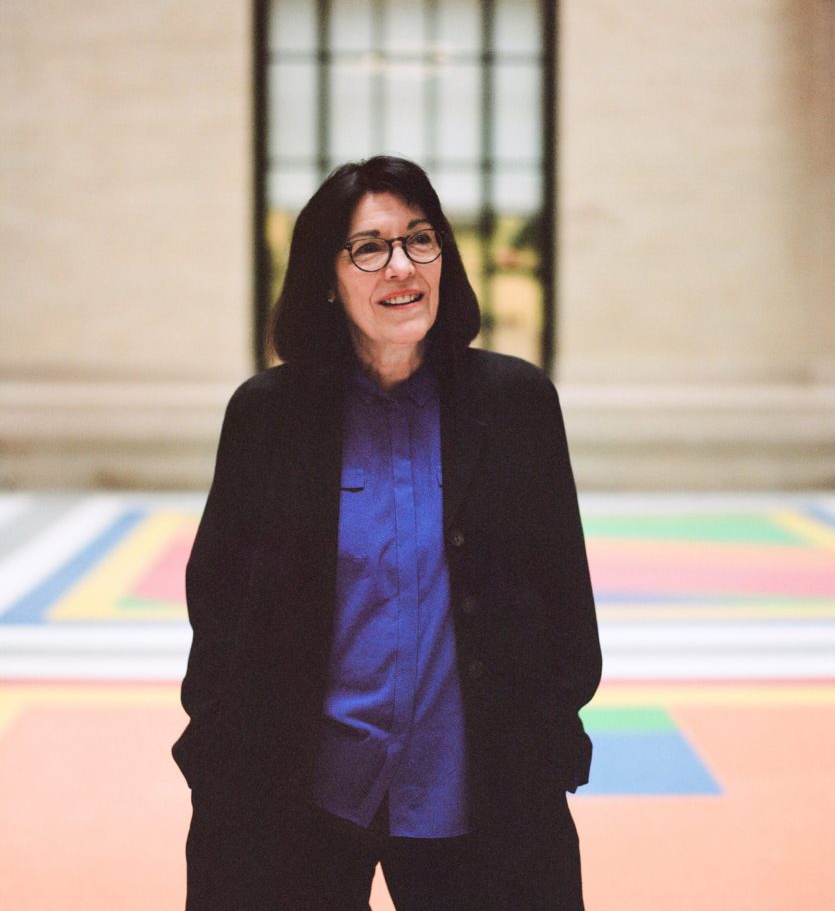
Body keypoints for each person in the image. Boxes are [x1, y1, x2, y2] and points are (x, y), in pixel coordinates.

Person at [172, 155, 601, 911]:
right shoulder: (268, 417)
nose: (400, 265)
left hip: (476, 803)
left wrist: (541, 734)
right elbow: (219, 606)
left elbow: (564, 598)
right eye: (369, 247)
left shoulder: (516, 406)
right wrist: (218, 752)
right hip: (297, 804)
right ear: (326, 278)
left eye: (419, 239)